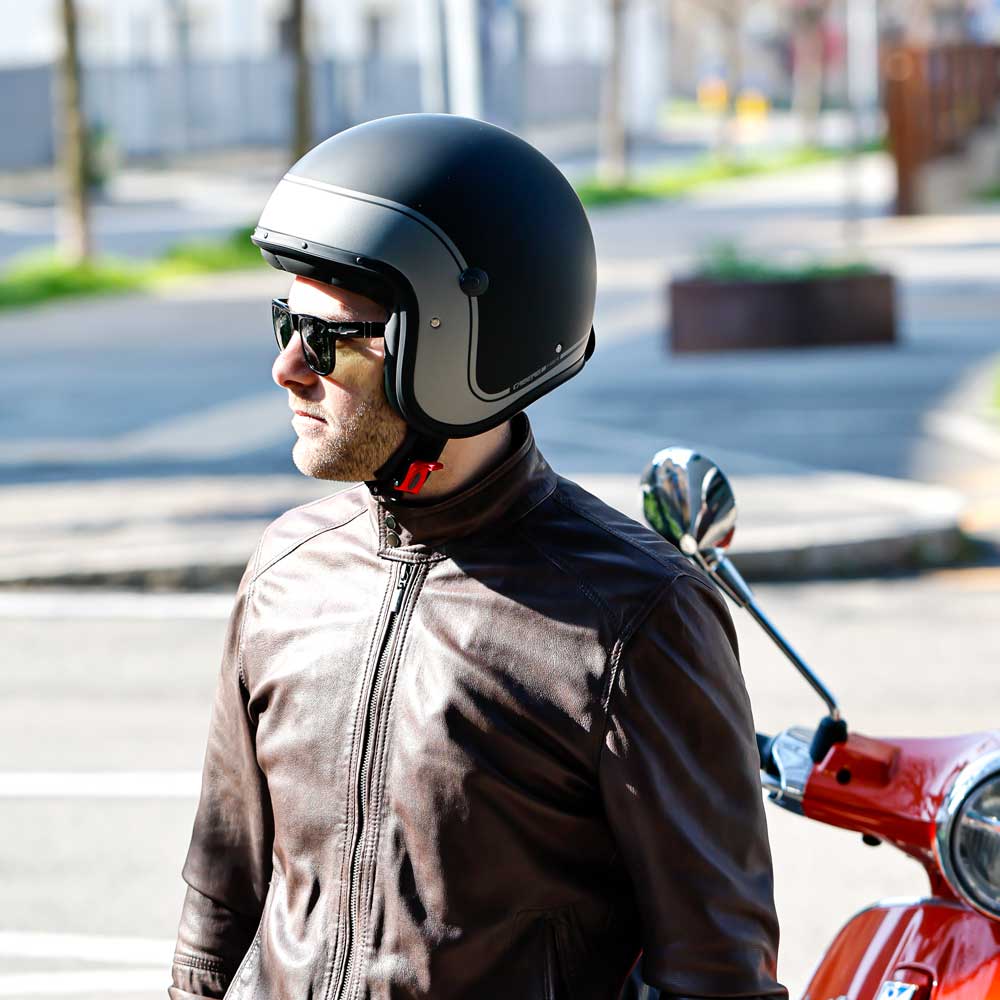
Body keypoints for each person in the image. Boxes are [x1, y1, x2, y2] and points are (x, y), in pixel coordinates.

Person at [169, 114, 786, 1000]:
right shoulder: (286, 571)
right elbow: (222, 890)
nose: (289, 370)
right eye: (285, 324)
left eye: (332, 339)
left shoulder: (631, 618)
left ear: (463, 347)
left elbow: (717, 973)